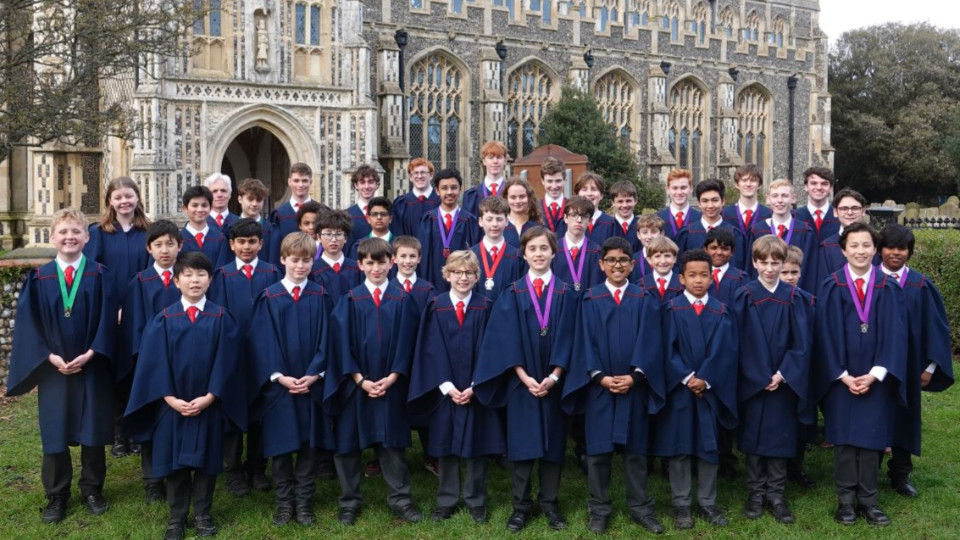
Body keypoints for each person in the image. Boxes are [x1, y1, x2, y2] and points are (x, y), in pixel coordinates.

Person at [124, 251, 246, 540]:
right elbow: (153, 363)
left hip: (209, 404)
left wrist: (212, 396)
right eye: (188, 275)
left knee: (206, 461)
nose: (195, 280)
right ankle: (176, 517)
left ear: (210, 279)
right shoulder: (163, 320)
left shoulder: (222, 318)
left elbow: (227, 362)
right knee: (175, 462)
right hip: (172, 406)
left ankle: (203, 514)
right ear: (176, 281)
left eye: (201, 274)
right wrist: (168, 397)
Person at [7, 208, 117, 524]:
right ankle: (57, 495)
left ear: (86, 237)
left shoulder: (100, 274)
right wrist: (48, 357)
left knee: (93, 428)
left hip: (91, 365)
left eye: (76, 232)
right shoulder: (39, 278)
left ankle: (93, 489)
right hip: (53, 369)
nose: (70, 237)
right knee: (55, 430)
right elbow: (29, 325)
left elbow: (109, 319)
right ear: (53, 237)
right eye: (63, 232)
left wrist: (94, 351)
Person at [474, 226, 580, 533]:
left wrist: (555, 375)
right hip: (521, 382)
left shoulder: (565, 293)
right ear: (523, 254)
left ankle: (550, 503)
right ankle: (520, 506)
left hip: (554, 382)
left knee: (553, 445)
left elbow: (571, 337)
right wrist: (523, 376)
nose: (538, 254)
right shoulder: (512, 292)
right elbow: (503, 339)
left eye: (544, 249)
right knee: (521, 445)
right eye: (532, 249)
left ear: (553, 253)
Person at [562, 236, 666, 535]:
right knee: (598, 452)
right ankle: (599, 509)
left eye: (623, 260)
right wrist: (599, 376)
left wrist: (635, 376)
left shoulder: (644, 298)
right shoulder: (590, 298)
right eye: (611, 260)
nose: (617, 265)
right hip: (599, 388)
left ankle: (641, 507)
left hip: (635, 386)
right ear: (601, 264)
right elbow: (582, 341)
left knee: (636, 451)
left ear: (633, 264)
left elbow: (651, 341)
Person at [324, 238, 424, 526]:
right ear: (360, 265)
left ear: (391, 263)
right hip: (356, 386)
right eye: (370, 262)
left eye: (381, 262)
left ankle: (401, 498)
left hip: (391, 384)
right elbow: (341, 344)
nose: (376, 267)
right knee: (348, 445)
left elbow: (408, 343)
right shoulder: (350, 299)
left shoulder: (403, 299)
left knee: (392, 444)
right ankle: (350, 501)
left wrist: (392, 377)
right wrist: (359, 379)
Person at [814, 222, 907, 527]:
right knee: (843, 440)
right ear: (843, 250)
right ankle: (845, 502)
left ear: (875, 249)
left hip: (874, 378)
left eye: (866, 245)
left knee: (871, 440)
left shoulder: (888, 286)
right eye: (853, 245)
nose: (860, 251)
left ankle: (868, 501)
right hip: (841, 378)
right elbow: (823, 335)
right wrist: (841, 375)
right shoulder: (831, 285)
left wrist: (876, 374)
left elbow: (895, 334)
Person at [407, 250, 503, 524]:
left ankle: (476, 501)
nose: (463, 277)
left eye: (469, 273)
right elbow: (429, 350)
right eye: (457, 272)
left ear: (476, 277)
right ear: (447, 274)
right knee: (446, 445)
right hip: (445, 392)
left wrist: (475, 386)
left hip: (476, 389)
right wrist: (448, 387)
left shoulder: (486, 307)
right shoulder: (435, 306)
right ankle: (446, 499)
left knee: (476, 446)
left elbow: (492, 350)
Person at [248, 232, 333, 527]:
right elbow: (262, 342)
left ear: (313, 261)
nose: (300, 266)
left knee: (309, 446)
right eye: (294, 260)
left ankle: (305, 502)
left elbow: (327, 339)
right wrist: (279, 377)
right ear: (282, 259)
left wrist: (314, 375)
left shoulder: (320, 296)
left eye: (306, 260)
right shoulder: (270, 297)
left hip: (311, 386)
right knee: (282, 447)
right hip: (280, 388)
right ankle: (285, 504)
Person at [652, 250, 738, 530]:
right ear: (681, 278)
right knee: (679, 448)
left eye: (704, 275)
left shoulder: (721, 311)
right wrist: (688, 378)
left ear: (712, 277)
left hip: (710, 391)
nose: (698, 280)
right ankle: (681, 504)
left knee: (708, 448)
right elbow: (666, 351)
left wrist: (705, 379)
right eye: (692, 275)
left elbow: (725, 352)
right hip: (680, 391)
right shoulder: (671, 309)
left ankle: (708, 502)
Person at [734, 235, 813, 524]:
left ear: (784, 263)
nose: (769, 268)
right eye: (763, 262)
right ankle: (755, 493)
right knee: (754, 439)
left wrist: (781, 374)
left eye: (775, 262)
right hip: (753, 383)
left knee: (780, 439)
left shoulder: (794, 298)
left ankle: (777, 495)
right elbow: (738, 342)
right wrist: (758, 376)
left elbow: (801, 344)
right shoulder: (744, 295)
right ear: (754, 262)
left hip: (783, 382)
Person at [877, 224, 954, 497]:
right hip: (875, 365)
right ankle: (868, 470)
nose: (895, 253)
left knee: (905, 416)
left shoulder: (920, 285)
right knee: (875, 414)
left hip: (910, 366)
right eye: (890, 247)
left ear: (909, 251)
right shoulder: (869, 281)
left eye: (902, 248)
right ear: (880, 249)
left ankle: (900, 473)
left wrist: (930, 367)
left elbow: (935, 329)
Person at [208, 219, 282, 497]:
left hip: (265, 356)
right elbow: (219, 316)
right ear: (232, 245)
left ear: (261, 243)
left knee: (261, 413)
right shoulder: (223, 275)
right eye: (241, 242)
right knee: (233, 412)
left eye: (252, 241)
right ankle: (234, 471)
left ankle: (258, 467)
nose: (247, 247)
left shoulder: (273, 272)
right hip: (234, 356)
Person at [84, 176, 152, 458]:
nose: (124, 201)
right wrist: (113, 307)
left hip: (141, 312)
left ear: (138, 197)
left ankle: (137, 429)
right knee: (114, 372)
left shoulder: (149, 232)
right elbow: (94, 273)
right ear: (109, 201)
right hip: (108, 313)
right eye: (118, 197)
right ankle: (118, 431)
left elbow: (151, 273)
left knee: (138, 369)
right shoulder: (98, 233)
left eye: (129, 196)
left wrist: (134, 306)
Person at [119, 219, 184, 503]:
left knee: (175, 420)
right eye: (158, 245)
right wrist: (145, 361)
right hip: (149, 364)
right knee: (152, 419)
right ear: (149, 248)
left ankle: (175, 472)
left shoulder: (189, 279)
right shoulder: (140, 282)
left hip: (183, 364)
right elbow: (134, 327)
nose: (165, 250)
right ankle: (152, 479)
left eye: (170, 244)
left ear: (180, 246)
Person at [779, 245, 818, 489]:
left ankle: (796, 466)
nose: (789, 277)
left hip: (804, 370)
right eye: (785, 272)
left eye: (794, 272)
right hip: (779, 371)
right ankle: (779, 467)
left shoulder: (808, 301)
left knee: (802, 419)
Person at [417, 168, 480, 292]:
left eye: (454, 187)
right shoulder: (428, 219)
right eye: (444, 188)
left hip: (463, 282)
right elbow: (423, 258)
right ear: (437, 191)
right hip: (433, 281)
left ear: (460, 189)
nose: (449, 192)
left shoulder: (469, 220)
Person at [748, 179, 818, 290]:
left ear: (793, 198)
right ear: (768, 199)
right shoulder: (757, 231)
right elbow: (752, 268)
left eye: (785, 196)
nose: (779, 200)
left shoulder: (805, 231)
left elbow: (810, 269)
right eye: (775, 196)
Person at [471, 196, 525, 302]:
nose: (494, 224)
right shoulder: (470, 255)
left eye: (499, 219)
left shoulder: (517, 256)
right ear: (480, 221)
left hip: (508, 315)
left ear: (507, 221)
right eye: (489, 219)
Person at [816, 188, 869, 287]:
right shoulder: (826, 247)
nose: (849, 212)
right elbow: (823, 283)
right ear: (835, 212)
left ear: (863, 211)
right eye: (844, 208)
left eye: (855, 208)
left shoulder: (875, 243)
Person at [551, 195, 603, 294]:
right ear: (566, 218)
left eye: (584, 216)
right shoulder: (553, 249)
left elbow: (597, 286)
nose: (579, 220)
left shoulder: (596, 251)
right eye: (574, 215)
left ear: (589, 221)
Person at [309, 210, 363, 300]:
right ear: (319, 237)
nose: (333, 239)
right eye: (328, 234)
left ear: (345, 238)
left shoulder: (356, 269)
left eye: (338, 234)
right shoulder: (312, 269)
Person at [180, 185, 229, 268]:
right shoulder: (178, 239)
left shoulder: (220, 239)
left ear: (211, 208)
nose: (200, 210)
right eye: (195, 205)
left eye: (204, 205)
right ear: (185, 208)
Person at [722, 163, 771, 243]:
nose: (748, 184)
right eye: (744, 180)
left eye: (753, 180)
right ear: (737, 185)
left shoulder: (769, 215)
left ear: (759, 185)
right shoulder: (725, 214)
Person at [237, 178, 281, 264]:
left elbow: (274, 264)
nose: (254, 204)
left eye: (259, 200)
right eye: (250, 199)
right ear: (240, 199)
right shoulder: (229, 229)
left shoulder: (272, 231)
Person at [391, 158, 440, 236]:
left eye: (423, 172)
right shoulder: (401, 203)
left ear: (431, 175)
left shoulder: (440, 201)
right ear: (410, 177)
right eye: (415, 173)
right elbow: (397, 234)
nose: (419, 176)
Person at [270, 163, 317, 240]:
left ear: (310, 182)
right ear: (289, 182)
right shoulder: (278, 214)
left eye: (304, 181)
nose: (300, 185)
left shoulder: (322, 211)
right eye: (296, 180)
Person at [391, 235, 436, 313]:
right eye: (403, 256)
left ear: (419, 258)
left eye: (412, 256)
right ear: (394, 258)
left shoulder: (428, 289)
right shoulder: (389, 289)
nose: (408, 261)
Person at [462, 141, 507, 219]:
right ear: (484, 161)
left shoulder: (512, 194)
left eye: (499, 157)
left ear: (505, 161)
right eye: (491, 157)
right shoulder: (471, 196)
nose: (495, 161)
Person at [344, 165, 381, 254]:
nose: (367, 186)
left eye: (371, 182)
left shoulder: (386, 214)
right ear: (356, 185)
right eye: (362, 182)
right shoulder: (346, 215)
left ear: (377, 185)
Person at [657, 169, 701, 242]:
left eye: (683, 188)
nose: (679, 192)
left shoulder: (700, 218)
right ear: (667, 190)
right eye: (675, 188)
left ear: (691, 189)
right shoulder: (658, 218)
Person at [575, 173, 616, 245]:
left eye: (594, 189)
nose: (589, 193)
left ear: (601, 195)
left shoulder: (611, 223)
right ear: (577, 194)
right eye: (584, 189)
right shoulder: (570, 222)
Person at [502, 177, 543, 247]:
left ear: (529, 197)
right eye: (513, 197)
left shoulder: (537, 226)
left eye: (522, 196)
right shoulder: (500, 226)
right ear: (506, 198)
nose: (518, 201)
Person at [639, 235, 682, 302]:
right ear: (649, 260)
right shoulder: (640, 286)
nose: (663, 261)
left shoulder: (683, 286)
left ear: (675, 258)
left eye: (667, 256)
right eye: (657, 256)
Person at [629, 213, 663, 283]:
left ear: (661, 234)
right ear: (638, 235)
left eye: (654, 232)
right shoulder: (632, 260)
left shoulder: (669, 260)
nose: (649, 236)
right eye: (645, 232)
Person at [539, 157, 568, 237]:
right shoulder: (534, 208)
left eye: (558, 181)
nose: (554, 186)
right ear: (542, 181)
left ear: (565, 179)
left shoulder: (572, 207)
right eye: (549, 181)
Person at [609, 180, 641, 252]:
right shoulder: (608, 226)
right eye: (620, 201)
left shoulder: (642, 225)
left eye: (628, 201)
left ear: (635, 200)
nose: (625, 205)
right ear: (613, 203)